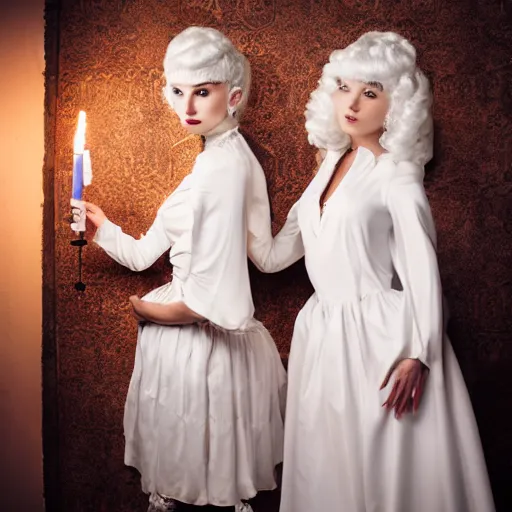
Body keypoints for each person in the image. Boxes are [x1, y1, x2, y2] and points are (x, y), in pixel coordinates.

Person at [248, 31, 495, 512]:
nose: (353, 103)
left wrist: (419, 354)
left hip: (382, 340)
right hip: (324, 337)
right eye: (345, 86)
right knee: (328, 468)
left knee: (385, 469)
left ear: (396, 105)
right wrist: (234, 207)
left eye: (371, 91)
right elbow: (275, 256)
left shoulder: (397, 175)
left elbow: (422, 269)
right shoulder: (328, 167)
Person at [74, 26, 286, 512]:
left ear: (232, 97)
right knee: (213, 475)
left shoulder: (221, 167)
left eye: (202, 92)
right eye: (178, 91)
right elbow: (265, 256)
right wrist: (103, 227)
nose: (187, 106)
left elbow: (207, 304)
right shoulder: (223, 159)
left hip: (201, 342)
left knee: (199, 475)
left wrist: (144, 310)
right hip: (195, 341)